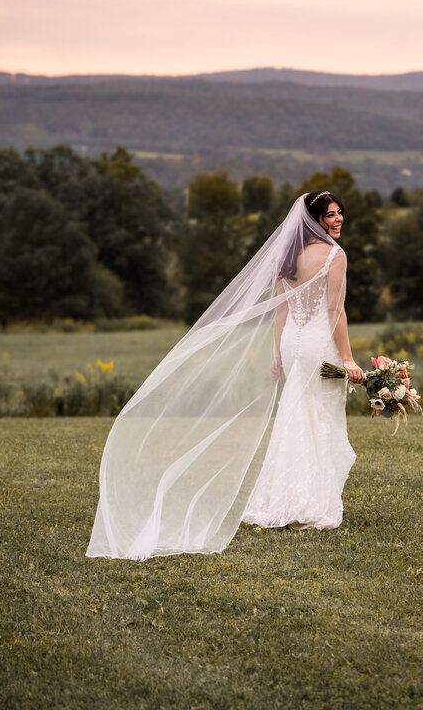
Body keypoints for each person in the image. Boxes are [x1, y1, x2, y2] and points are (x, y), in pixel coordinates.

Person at [87, 191, 365, 560]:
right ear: (314, 219)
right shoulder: (335, 255)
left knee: (297, 414)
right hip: (316, 343)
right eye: (331, 215)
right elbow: (335, 311)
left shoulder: (287, 256)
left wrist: (277, 356)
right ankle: (308, 502)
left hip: (294, 345)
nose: (338, 219)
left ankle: (287, 497)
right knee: (317, 417)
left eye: (340, 213)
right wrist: (347, 358)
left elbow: (280, 313)